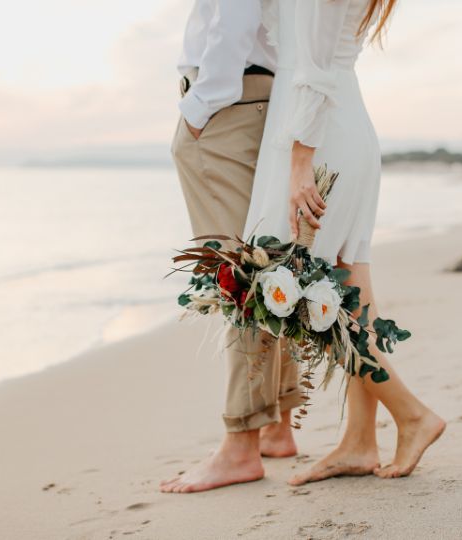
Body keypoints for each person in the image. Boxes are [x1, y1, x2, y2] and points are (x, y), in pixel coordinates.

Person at [244, 0, 446, 484]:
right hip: (330, 124)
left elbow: (312, 69)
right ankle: (359, 442)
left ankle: (412, 414)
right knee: (351, 292)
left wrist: (299, 165)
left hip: (318, 137)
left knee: (312, 295)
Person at [161, 0, 303, 494]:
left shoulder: (214, 101)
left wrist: (200, 105)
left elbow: (233, 17)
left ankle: (241, 442)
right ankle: (278, 425)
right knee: (269, 265)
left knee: (239, 277)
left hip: (228, 102)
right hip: (265, 95)